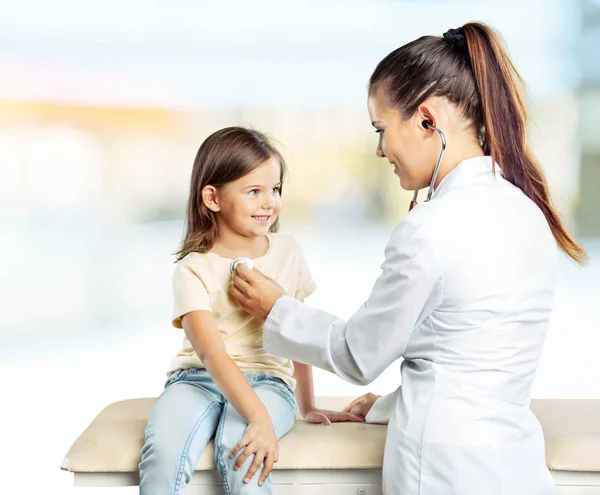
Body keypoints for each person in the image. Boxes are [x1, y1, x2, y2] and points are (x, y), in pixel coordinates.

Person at [230, 23, 588, 495]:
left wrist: (276, 308)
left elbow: (359, 353)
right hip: (513, 466)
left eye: (381, 130)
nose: (381, 150)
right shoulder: (526, 213)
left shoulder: (431, 228)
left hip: (440, 469)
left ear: (426, 119)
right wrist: (389, 405)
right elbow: (471, 357)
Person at [138, 127, 362, 495]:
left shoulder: (288, 251)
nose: (269, 202)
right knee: (162, 452)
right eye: (254, 191)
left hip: (269, 382)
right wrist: (256, 414)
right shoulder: (192, 268)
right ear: (212, 197)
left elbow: (297, 332)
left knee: (240, 450)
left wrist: (306, 405)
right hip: (196, 379)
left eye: (275, 189)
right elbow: (211, 353)